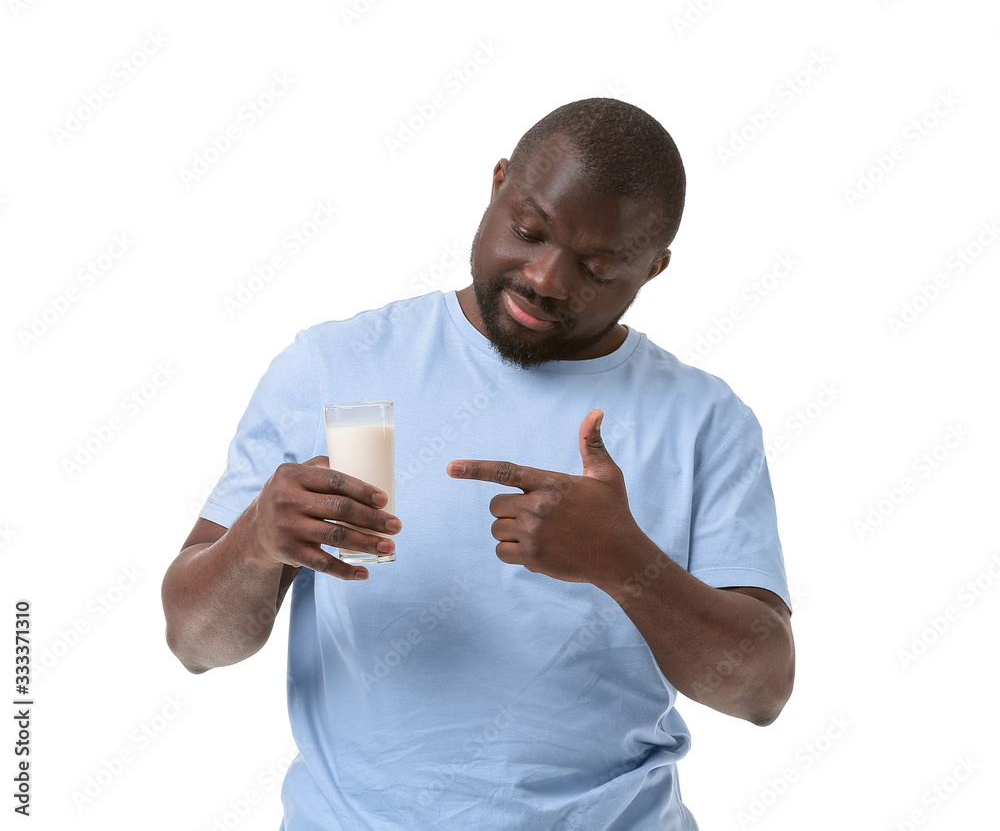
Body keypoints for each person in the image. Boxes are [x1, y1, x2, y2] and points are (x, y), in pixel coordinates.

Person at [162, 97, 794, 830]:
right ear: (498, 184)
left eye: (597, 266)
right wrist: (255, 542)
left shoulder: (705, 420)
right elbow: (194, 642)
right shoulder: (335, 365)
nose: (546, 279)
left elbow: (761, 691)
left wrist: (624, 562)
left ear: (652, 269)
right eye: (529, 231)